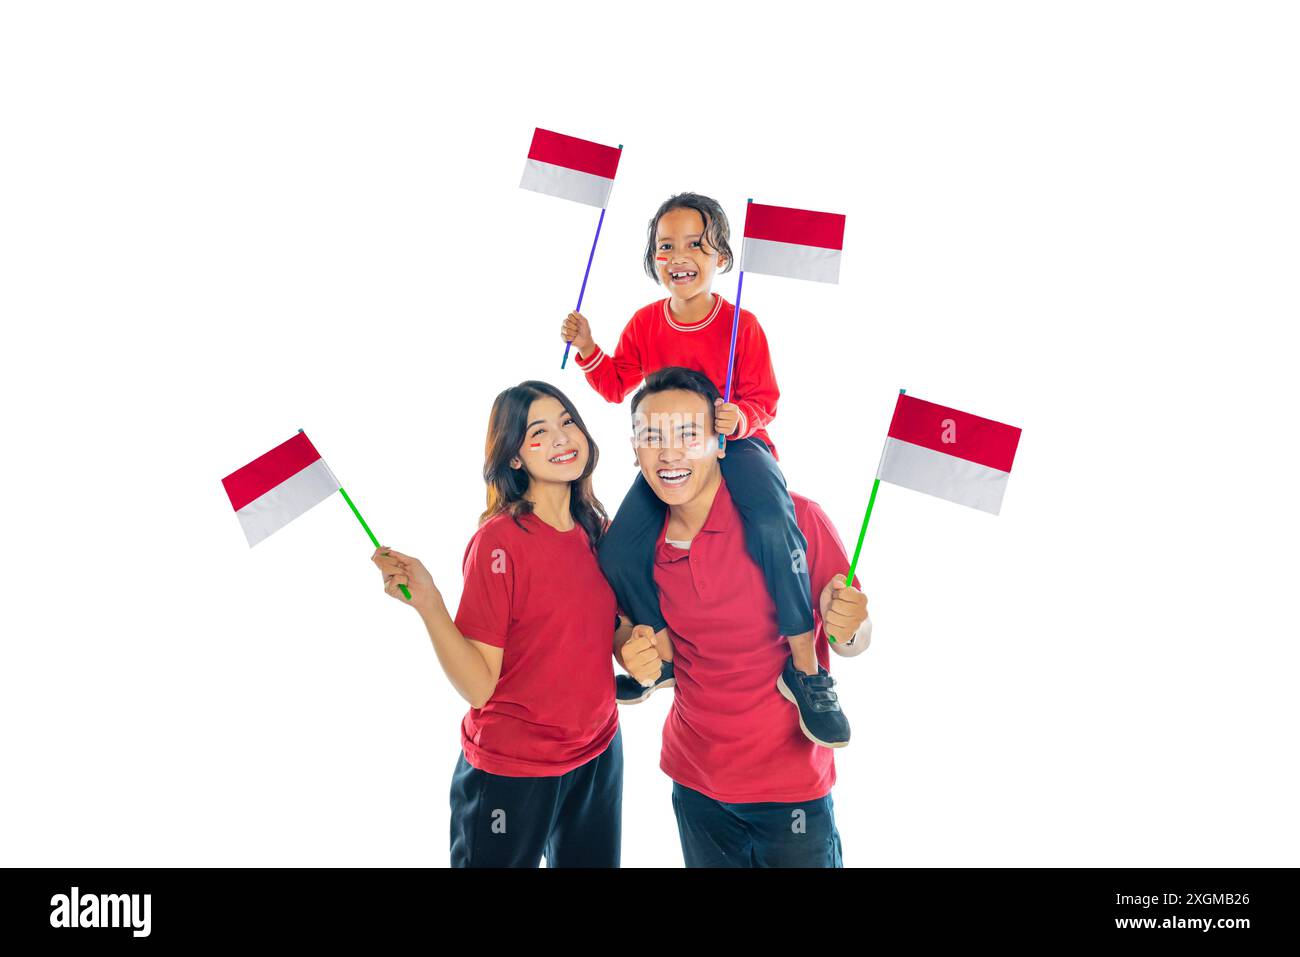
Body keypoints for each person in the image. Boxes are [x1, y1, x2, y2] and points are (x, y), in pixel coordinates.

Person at [560, 192, 852, 748]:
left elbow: (765, 398)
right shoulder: (647, 322)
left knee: (771, 526)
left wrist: (738, 417)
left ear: (720, 254)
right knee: (619, 549)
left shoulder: (743, 323)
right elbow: (618, 383)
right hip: (671, 458)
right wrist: (589, 346)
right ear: (653, 259)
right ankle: (666, 655)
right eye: (665, 246)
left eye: (695, 242)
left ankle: (805, 670)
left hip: (739, 448)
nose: (679, 255)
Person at [612, 367, 872, 867]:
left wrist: (851, 624)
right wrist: (634, 652)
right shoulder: (639, 550)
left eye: (689, 434)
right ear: (635, 449)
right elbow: (628, 633)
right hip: (696, 786)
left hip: (791, 791)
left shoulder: (798, 520)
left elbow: (852, 640)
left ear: (721, 440)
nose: (670, 453)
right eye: (652, 437)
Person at [371, 381, 629, 868]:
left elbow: (601, 629)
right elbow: (479, 687)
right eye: (539, 431)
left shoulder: (596, 527)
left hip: (597, 754)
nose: (561, 438)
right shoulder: (499, 542)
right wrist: (430, 603)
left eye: (567, 421)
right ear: (514, 457)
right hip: (513, 771)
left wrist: (635, 644)